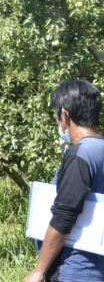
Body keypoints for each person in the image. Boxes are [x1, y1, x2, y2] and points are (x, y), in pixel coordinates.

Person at [24, 80, 104, 282]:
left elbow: (64, 215)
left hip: (75, 268)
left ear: (65, 114)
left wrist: (40, 270)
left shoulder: (80, 154)